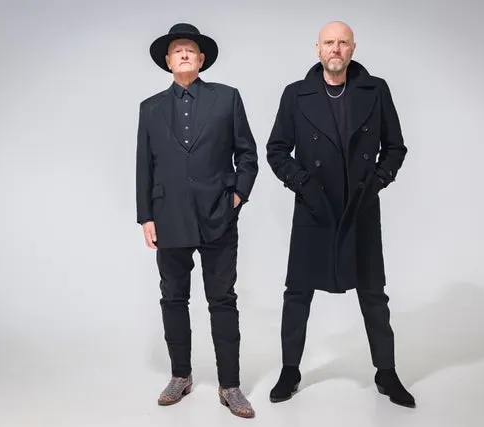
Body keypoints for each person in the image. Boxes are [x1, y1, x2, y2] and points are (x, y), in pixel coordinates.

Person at [265, 21, 415, 408]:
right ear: (317, 49)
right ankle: (289, 371)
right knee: (297, 293)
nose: (336, 49)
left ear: (353, 49)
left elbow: (395, 147)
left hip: (359, 208)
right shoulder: (296, 94)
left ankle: (386, 373)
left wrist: (376, 183)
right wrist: (304, 185)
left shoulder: (375, 90)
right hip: (314, 207)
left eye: (343, 42)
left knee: (373, 293)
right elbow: (276, 150)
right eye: (329, 42)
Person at [135, 23, 258, 418]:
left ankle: (230, 386)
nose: (185, 54)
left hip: (218, 213)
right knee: (173, 297)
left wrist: (238, 195)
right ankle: (180, 376)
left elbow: (247, 153)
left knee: (223, 298)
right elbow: (144, 166)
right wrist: (145, 217)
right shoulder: (150, 108)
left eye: (191, 49)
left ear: (202, 59)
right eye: (178, 50)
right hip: (168, 216)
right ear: (168, 61)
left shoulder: (227, 98)